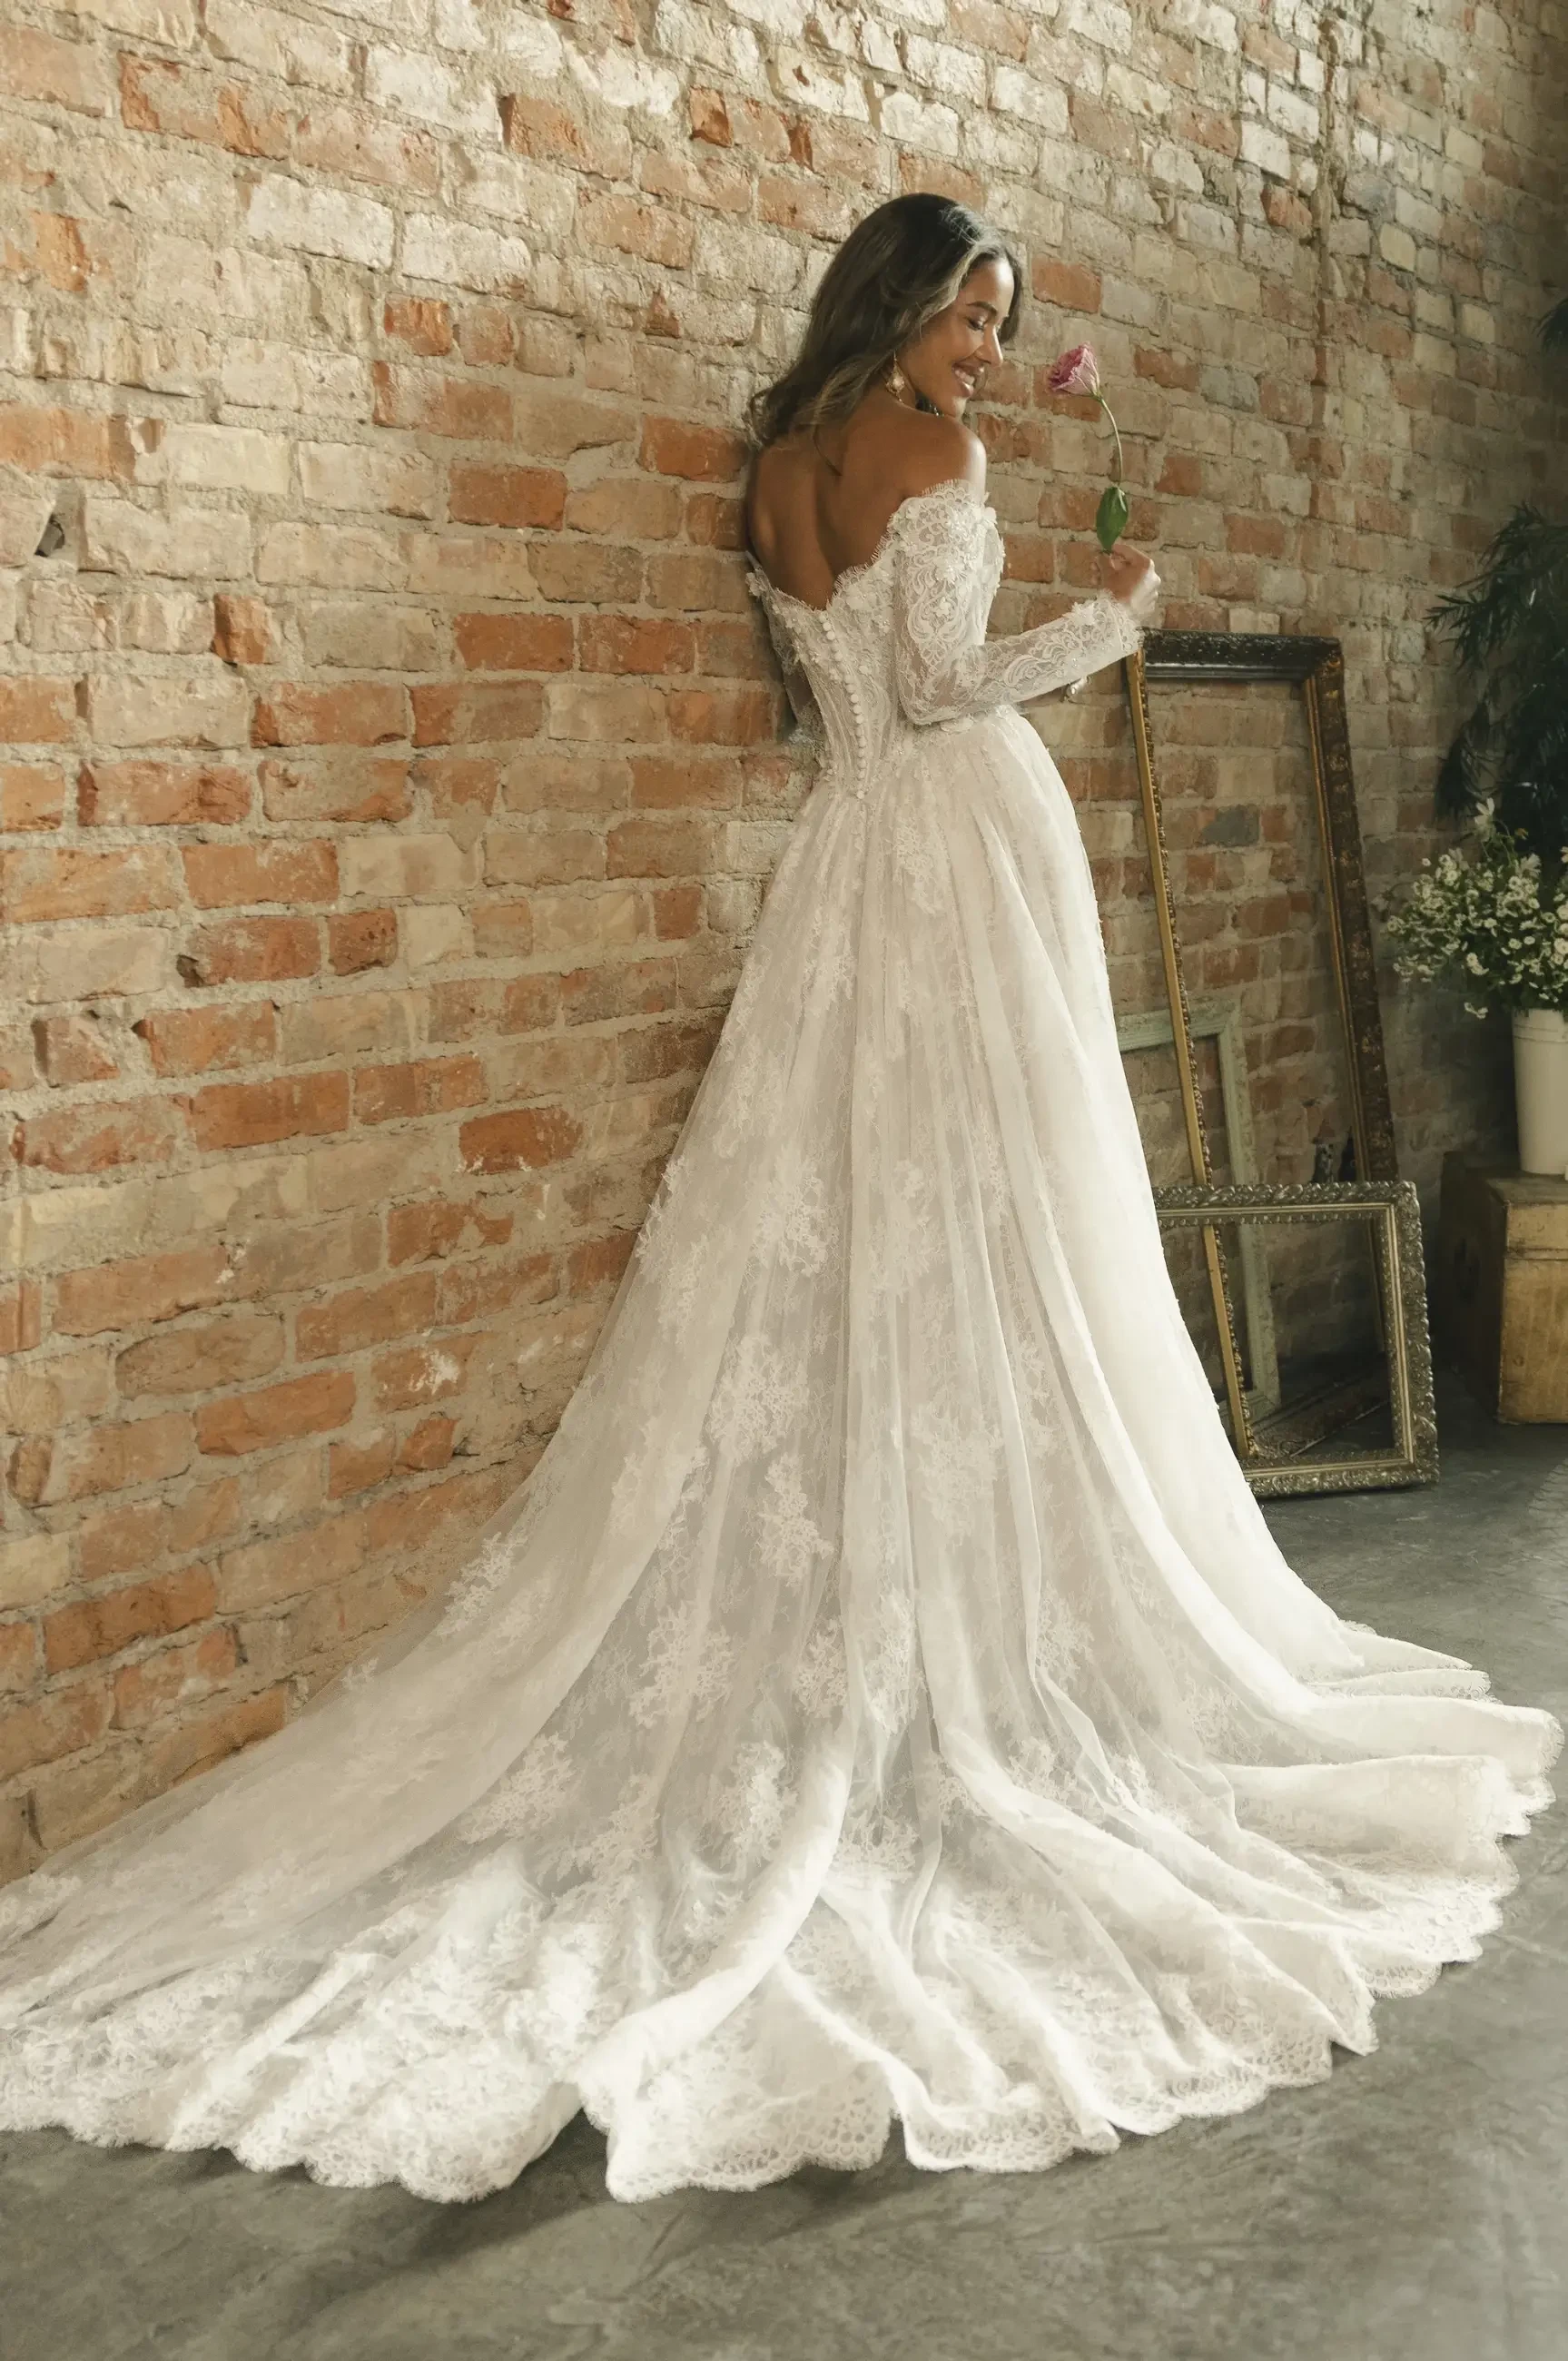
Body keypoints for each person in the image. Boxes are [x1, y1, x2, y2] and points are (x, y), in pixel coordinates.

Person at [0, 196, 1558, 2208]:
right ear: (902, 306)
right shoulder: (930, 454)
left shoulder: (782, 463)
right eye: (971, 320)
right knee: (997, 1210)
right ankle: (957, 1620)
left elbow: (835, 689)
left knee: (846, 1218)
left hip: (843, 878)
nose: (987, 360)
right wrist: (1110, 619)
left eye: (1001, 335)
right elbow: (931, 691)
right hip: (956, 858)